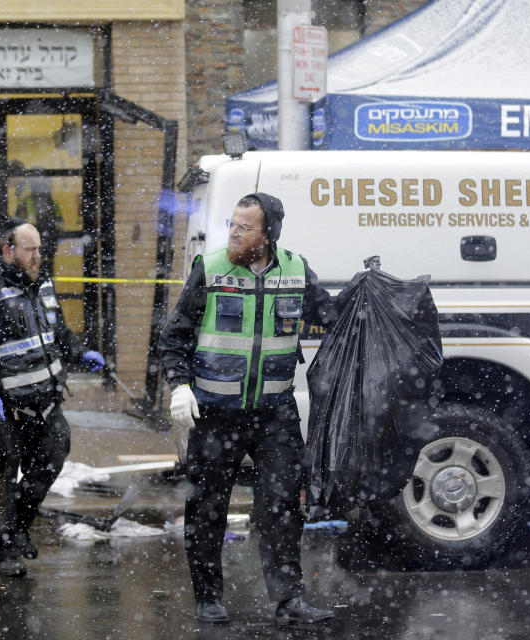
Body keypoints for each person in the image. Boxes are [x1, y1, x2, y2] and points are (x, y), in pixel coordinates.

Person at [158, 192, 336, 626]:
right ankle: (207, 597)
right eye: (232, 225)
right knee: (208, 509)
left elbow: (332, 316)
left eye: (244, 227)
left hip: (275, 413)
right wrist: (179, 386)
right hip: (216, 413)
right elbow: (174, 338)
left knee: (281, 507)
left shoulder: (296, 270)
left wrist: (369, 296)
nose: (234, 234)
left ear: (268, 234)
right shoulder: (212, 268)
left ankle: (289, 600)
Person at [0, 219, 104, 577]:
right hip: (6, 407)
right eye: (31, 249)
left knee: (54, 456)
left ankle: (19, 526)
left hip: (46, 400)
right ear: (8, 250)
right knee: (5, 476)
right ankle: (6, 546)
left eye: (39, 248)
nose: (38, 255)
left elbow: (56, 332)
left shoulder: (42, 284)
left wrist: (80, 351)